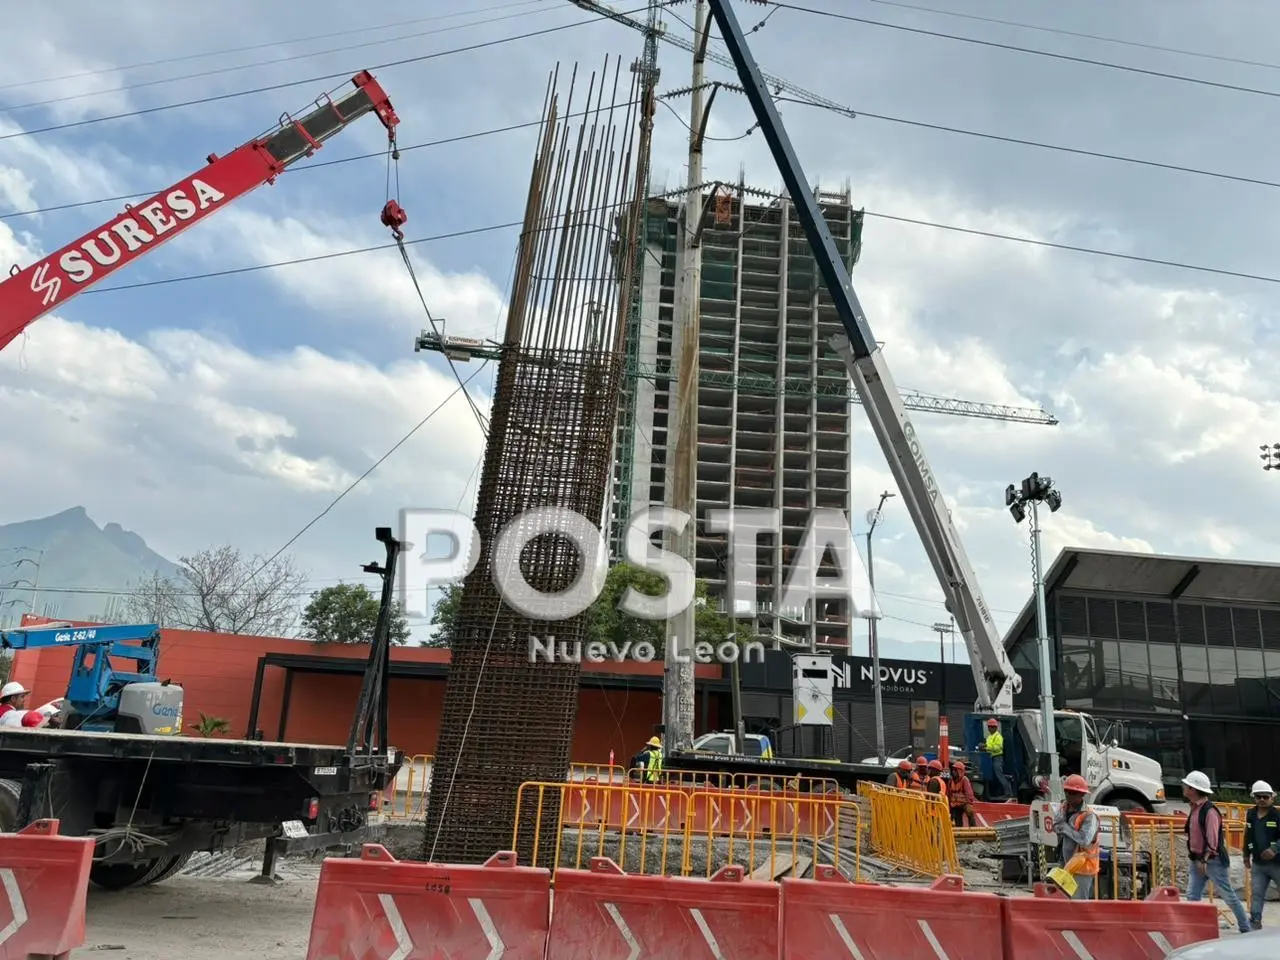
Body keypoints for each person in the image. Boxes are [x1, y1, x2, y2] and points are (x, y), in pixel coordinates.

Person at [1181, 770, 1252, 934]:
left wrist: (1204, 860)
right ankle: (1196, 929)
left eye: (1186, 785)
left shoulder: (1209, 811)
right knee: (1192, 896)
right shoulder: (1195, 808)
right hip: (1197, 859)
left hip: (1213, 861)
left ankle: (1245, 928)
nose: (1183, 788)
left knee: (1228, 896)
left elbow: (1212, 840)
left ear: (1193, 789)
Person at [1052, 773, 1100, 900]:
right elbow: (1056, 826)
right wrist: (1061, 827)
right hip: (1066, 863)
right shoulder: (1064, 807)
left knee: (1078, 904)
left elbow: (1084, 840)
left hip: (1083, 868)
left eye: (1072, 792)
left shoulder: (1089, 816)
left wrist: (1065, 828)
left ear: (1082, 795)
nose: (1068, 795)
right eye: (1066, 791)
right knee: (1062, 901)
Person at [1244, 779, 1279, 931]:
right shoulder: (1251, 814)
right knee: (1257, 894)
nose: (1262, 800)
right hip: (1258, 863)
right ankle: (1255, 922)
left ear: (1272, 797)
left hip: (1277, 864)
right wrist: (1246, 855)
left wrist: (1274, 849)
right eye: (1259, 797)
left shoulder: (1277, 816)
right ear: (1254, 798)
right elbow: (1248, 835)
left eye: (1265, 797)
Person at [978, 717, 1012, 801]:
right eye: (989, 726)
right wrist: (983, 746)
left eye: (992, 727)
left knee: (999, 774)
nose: (990, 728)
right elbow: (989, 746)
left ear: (996, 727)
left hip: (997, 757)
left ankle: (1008, 793)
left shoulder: (998, 736)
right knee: (993, 775)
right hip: (990, 758)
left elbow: (998, 748)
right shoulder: (989, 737)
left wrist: (986, 747)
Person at [948, 759, 976, 827]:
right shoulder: (951, 781)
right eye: (953, 770)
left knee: (970, 812)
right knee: (957, 820)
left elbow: (969, 793)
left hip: (964, 804)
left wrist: (969, 804)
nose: (953, 772)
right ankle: (959, 833)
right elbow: (949, 793)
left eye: (955, 770)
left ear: (960, 771)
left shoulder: (964, 780)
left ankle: (973, 829)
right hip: (955, 805)